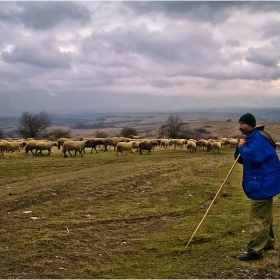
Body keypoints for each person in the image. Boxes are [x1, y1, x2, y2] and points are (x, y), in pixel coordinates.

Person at [234, 112, 280, 261]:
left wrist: (242, 147)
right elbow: (241, 159)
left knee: (257, 218)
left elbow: (254, 157)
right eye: (239, 123)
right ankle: (267, 243)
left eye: (243, 124)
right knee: (264, 215)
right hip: (263, 182)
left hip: (263, 183)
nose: (240, 127)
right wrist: (240, 148)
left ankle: (255, 251)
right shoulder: (252, 138)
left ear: (250, 124)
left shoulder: (258, 138)